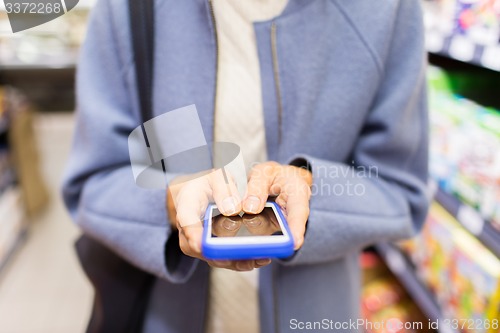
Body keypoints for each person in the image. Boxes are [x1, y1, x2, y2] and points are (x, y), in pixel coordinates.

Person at [62, 0, 430, 332]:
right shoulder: (128, 10)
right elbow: (93, 180)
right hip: (167, 314)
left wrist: (313, 190)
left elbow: (399, 187)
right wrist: (168, 202)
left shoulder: (385, 10)